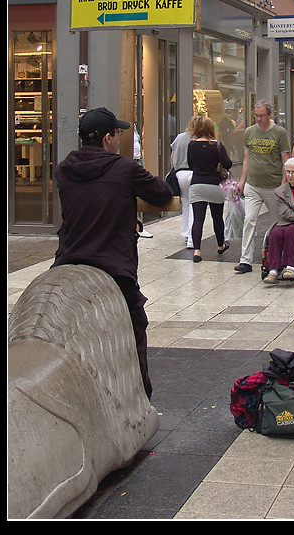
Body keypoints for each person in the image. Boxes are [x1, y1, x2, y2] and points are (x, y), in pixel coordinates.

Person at [52, 107, 173, 400]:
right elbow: (162, 193)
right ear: (108, 138)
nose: (120, 139)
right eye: (118, 134)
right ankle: (140, 400)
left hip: (68, 263)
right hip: (114, 268)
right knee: (134, 332)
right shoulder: (124, 169)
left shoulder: (63, 169)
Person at [234, 99, 291, 274]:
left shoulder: (280, 133)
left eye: (262, 116)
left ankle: (277, 258)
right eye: (256, 116)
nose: (259, 119)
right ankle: (245, 260)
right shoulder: (249, 132)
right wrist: (242, 181)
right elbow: (247, 159)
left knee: (276, 223)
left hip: (273, 186)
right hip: (253, 185)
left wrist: (283, 185)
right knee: (250, 220)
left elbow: (285, 160)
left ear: (270, 115)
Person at [187, 115, 233, 263]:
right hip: (214, 184)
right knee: (217, 217)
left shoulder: (191, 145)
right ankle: (220, 245)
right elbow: (228, 163)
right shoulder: (217, 145)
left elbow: (190, 165)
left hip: (197, 184)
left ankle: (197, 251)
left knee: (198, 218)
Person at [170, 115, 199, 249]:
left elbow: (172, 156)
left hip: (180, 173)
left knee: (186, 204)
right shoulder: (198, 138)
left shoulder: (180, 137)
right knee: (194, 205)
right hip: (193, 173)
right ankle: (192, 239)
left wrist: (174, 170)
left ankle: (186, 232)